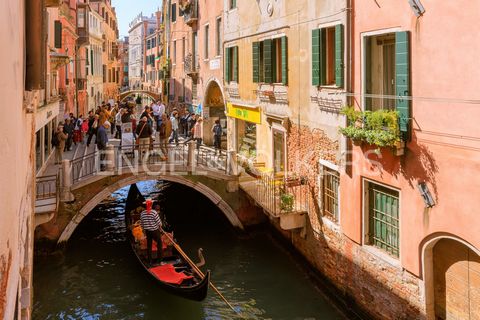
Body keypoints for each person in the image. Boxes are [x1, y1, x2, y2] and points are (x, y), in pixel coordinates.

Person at [140, 198, 163, 265]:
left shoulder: (142, 213)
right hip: (155, 231)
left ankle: (149, 261)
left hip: (148, 231)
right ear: (151, 204)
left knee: (149, 246)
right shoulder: (154, 212)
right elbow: (159, 223)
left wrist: (144, 231)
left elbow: (142, 224)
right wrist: (160, 227)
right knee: (159, 245)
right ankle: (160, 261)